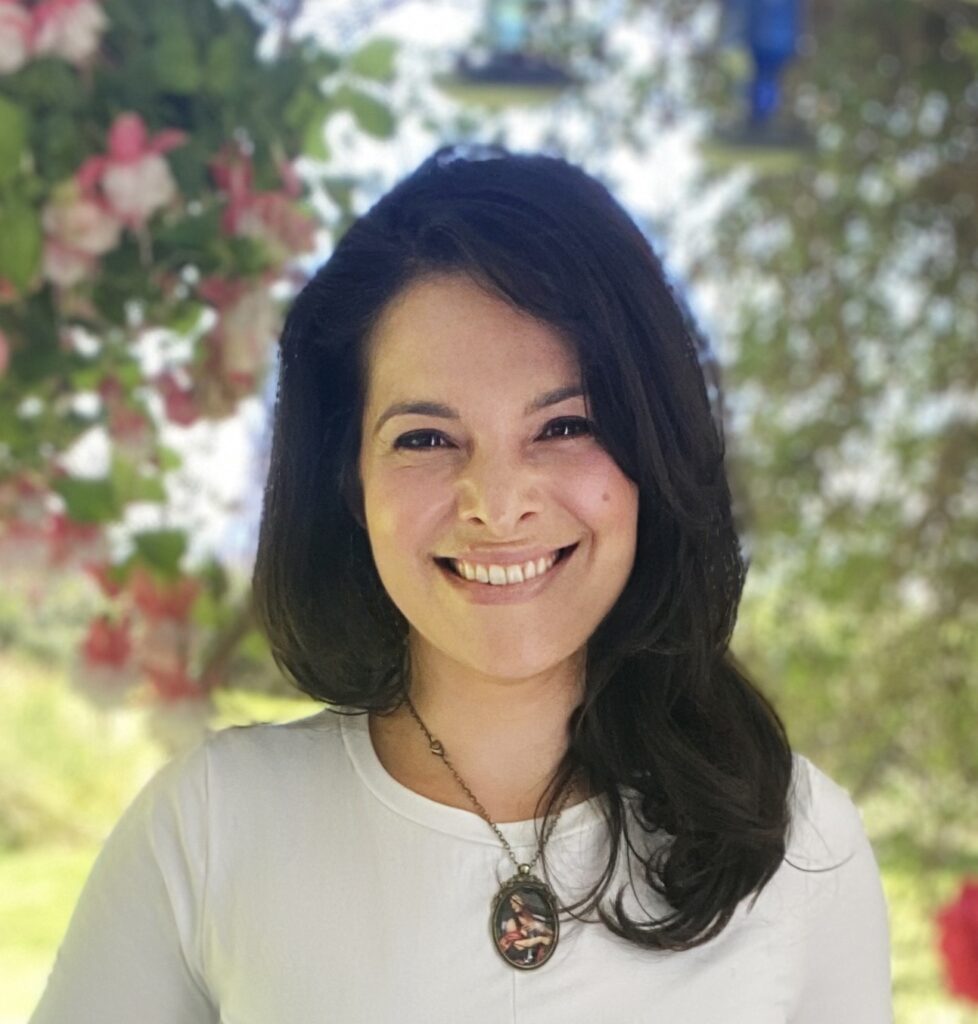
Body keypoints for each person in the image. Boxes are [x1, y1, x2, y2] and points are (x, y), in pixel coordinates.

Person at [30, 144, 892, 1022]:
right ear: (349, 482)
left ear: (653, 452)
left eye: (564, 425)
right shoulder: (209, 829)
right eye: (425, 439)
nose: (498, 504)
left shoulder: (802, 845)